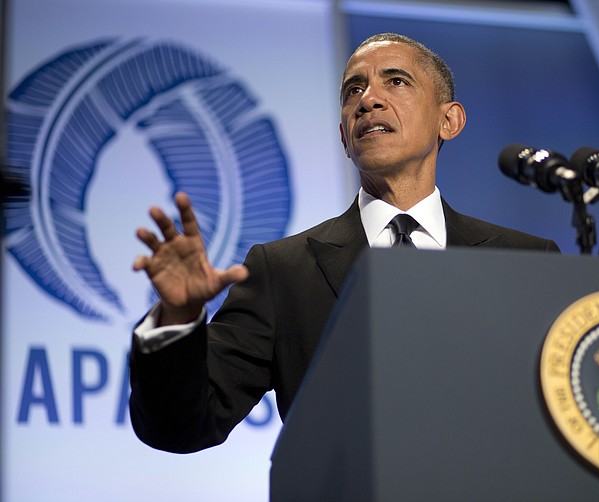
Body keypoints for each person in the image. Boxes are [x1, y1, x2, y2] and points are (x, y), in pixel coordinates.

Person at [129, 33, 559, 453]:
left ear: (449, 120)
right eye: (354, 89)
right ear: (343, 136)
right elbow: (181, 427)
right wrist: (177, 320)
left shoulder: (524, 262)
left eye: (396, 81)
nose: (368, 99)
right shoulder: (283, 271)